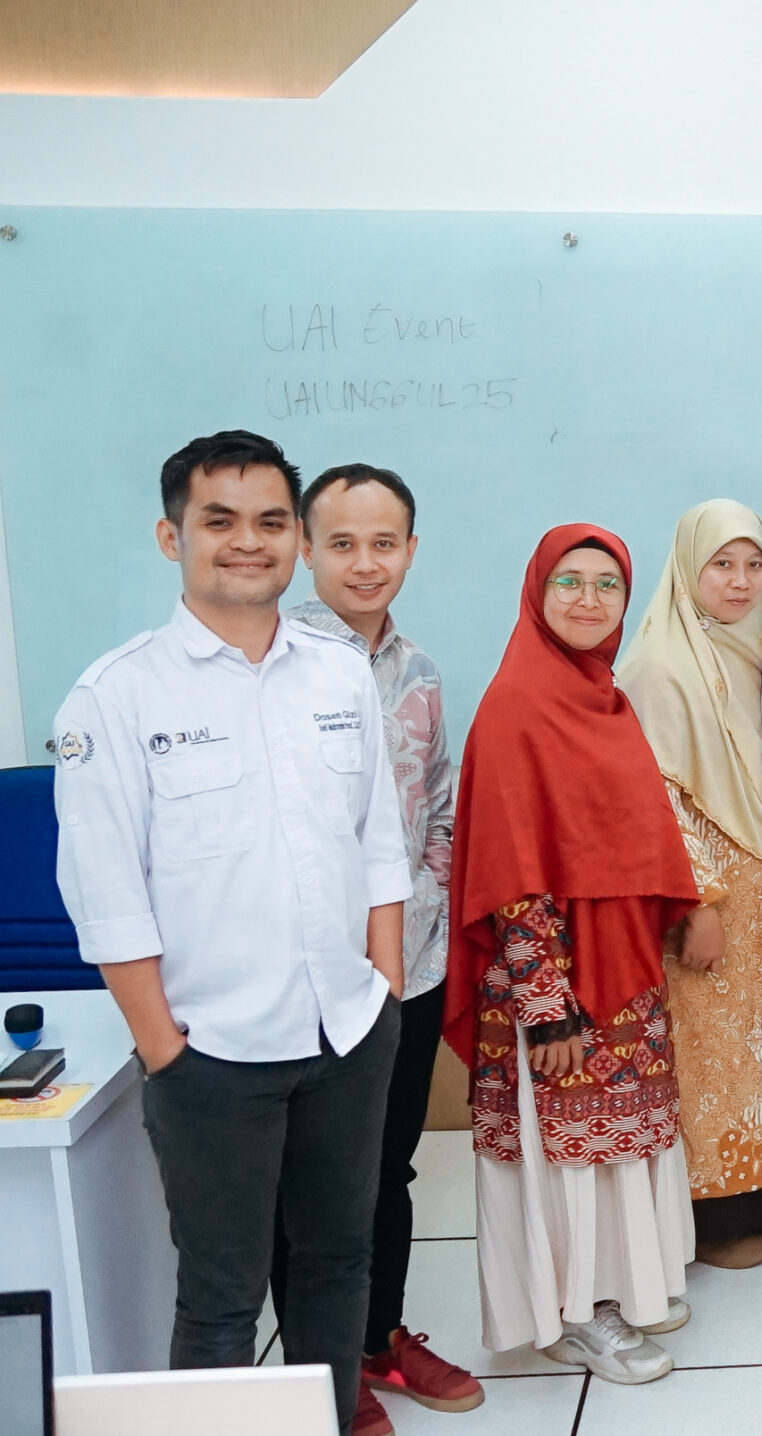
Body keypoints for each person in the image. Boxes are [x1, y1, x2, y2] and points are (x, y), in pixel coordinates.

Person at [55, 431, 409, 1436]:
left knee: (337, 1262)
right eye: (220, 521)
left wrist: (382, 989)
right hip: (210, 1052)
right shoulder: (116, 695)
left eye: (269, 521)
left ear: (296, 537)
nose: (247, 542)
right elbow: (105, 894)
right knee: (221, 1295)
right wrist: (164, 1047)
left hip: (346, 1032)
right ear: (172, 536)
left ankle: (324, 1421)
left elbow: (378, 841)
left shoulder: (338, 674)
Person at [444, 524, 700, 1384]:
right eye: (569, 582)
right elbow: (510, 871)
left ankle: (622, 1285)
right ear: (536, 591)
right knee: (565, 1151)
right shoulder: (518, 704)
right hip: (553, 980)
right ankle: (572, 1316)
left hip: (621, 961)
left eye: (607, 585)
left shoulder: (603, 698)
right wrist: (546, 1008)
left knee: (617, 1145)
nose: (589, 600)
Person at [269, 464, 475, 1435]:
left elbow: (438, 811)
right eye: (343, 542)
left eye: (383, 542)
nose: (365, 562)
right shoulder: (274, 665)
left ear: (411, 550)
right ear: (307, 548)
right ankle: (319, 1366)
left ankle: (377, 1338)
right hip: (313, 977)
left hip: (411, 968)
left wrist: (419, 918)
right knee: (311, 1182)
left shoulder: (420, 670)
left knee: (389, 1167)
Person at [622, 499, 762, 1270]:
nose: (739, 581)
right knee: (706, 1057)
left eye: (753, 564)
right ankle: (711, 1220)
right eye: (722, 564)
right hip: (706, 894)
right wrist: (698, 902)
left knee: (752, 1049)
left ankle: (757, 1200)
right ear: (686, 568)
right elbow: (656, 800)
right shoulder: (659, 666)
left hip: (759, 878)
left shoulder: (758, 650)